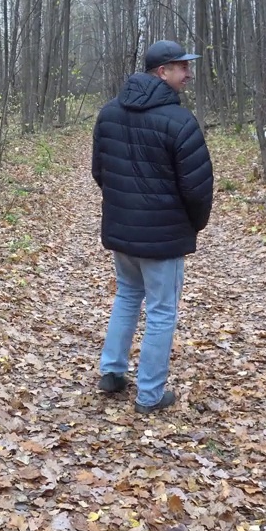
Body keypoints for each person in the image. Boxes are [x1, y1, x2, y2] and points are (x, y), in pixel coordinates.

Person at [91, 39, 214, 414]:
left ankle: (112, 372)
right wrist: (192, 226)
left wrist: (126, 208)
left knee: (127, 297)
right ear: (163, 72)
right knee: (161, 311)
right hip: (163, 239)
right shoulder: (179, 121)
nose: (189, 74)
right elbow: (198, 188)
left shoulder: (109, 113)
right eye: (182, 67)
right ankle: (149, 395)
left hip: (123, 233)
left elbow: (101, 173)